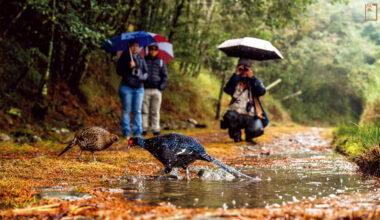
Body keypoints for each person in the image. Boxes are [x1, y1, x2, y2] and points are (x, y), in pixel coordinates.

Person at [221, 58, 269, 143]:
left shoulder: (254, 81)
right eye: (241, 68)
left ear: (250, 69)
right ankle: (237, 137)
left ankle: (249, 137)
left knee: (257, 126)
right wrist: (236, 75)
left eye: (246, 69)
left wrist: (252, 78)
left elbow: (261, 92)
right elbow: (227, 90)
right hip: (236, 113)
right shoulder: (234, 80)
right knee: (230, 116)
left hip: (250, 114)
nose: (243, 71)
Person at [116, 39, 148, 138]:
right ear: (129, 47)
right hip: (126, 87)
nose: (135, 48)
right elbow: (119, 71)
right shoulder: (124, 57)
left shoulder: (141, 59)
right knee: (126, 110)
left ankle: (138, 133)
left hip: (139, 88)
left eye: (137, 46)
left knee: (137, 110)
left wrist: (141, 77)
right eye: (133, 46)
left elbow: (146, 73)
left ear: (139, 47)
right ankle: (126, 132)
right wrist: (128, 66)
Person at [142, 43, 168, 136]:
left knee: (155, 111)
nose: (153, 51)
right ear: (148, 49)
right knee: (144, 111)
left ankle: (156, 129)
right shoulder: (143, 60)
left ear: (157, 50)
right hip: (145, 89)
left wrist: (161, 87)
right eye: (151, 49)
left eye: (155, 49)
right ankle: (143, 128)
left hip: (157, 90)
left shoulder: (161, 62)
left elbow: (165, 77)